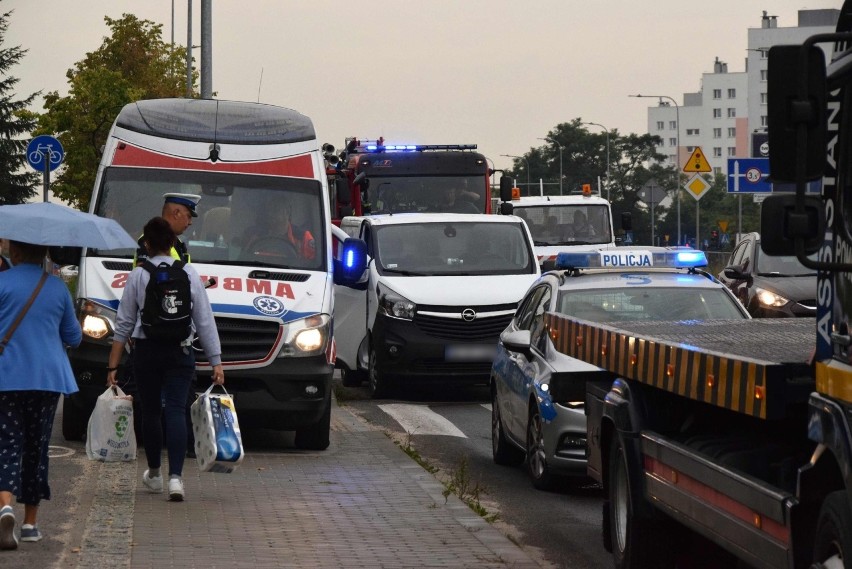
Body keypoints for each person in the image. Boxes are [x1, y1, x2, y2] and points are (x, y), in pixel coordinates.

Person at [107, 217, 224, 502]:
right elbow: (205, 321)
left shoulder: (137, 275)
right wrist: (216, 361)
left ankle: (155, 473)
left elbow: (123, 324)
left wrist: (112, 365)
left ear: (146, 244)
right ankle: (177, 479)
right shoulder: (189, 274)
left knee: (149, 411)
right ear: (173, 243)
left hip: (146, 351)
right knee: (175, 410)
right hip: (180, 351)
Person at [0, 241, 82, 549]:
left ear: (16, 253)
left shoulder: (1, 283)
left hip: (5, 378)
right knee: (36, 447)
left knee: (7, 443)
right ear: (45, 254)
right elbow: (73, 336)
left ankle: (4, 505)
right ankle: (31, 523)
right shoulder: (57, 289)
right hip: (47, 380)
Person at [133, 193, 200, 268]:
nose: (190, 222)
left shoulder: (177, 242)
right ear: (176, 213)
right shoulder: (152, 239)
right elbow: (143, 276)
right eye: (189, 216)